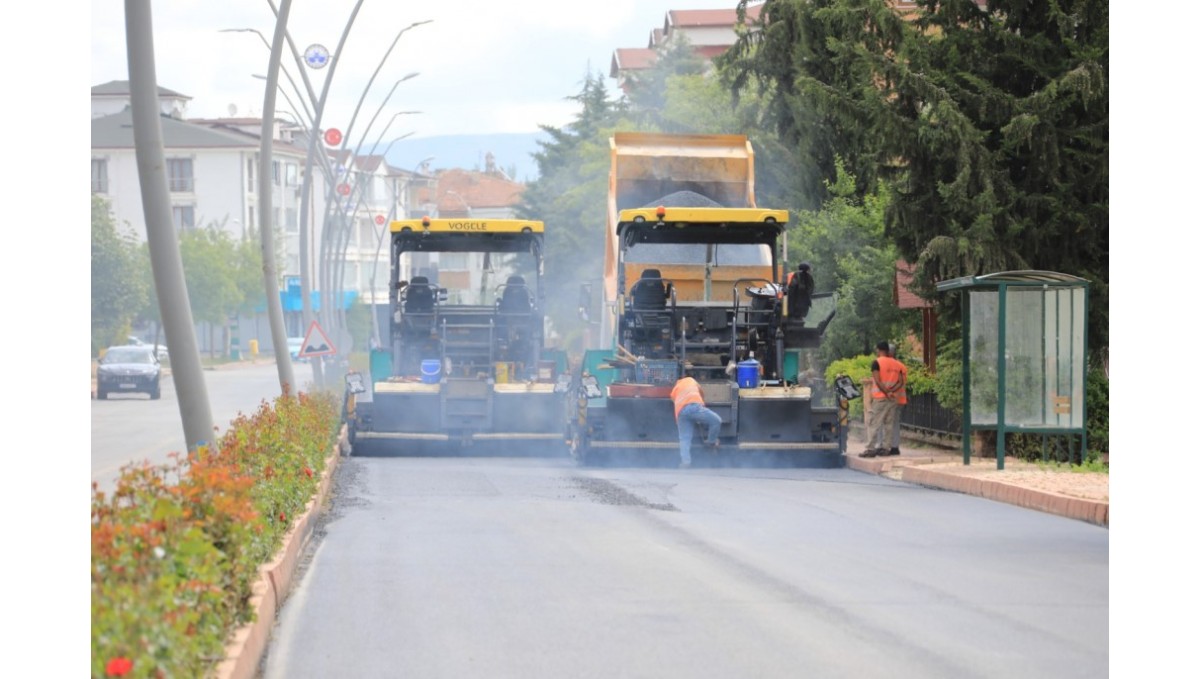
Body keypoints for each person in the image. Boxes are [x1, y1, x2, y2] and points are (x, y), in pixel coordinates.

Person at [861, 340, 908, 458]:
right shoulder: (897, 364)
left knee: (874, 423)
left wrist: (887, 392)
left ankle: (870, 449)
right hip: (893, 399)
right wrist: (891, 392)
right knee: (889, 424)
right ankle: (886, 449)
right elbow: (900, 382)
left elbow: (877, 380)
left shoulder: (876, 362)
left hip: (880, 398)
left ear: (878, 350)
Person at [669, 368, 722, 469]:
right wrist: (701, 407)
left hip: (681, 412)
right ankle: (711, 442)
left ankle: (685, 463)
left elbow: (673, 399)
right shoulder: (692, 380)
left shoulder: (676, 387)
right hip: (694, 407)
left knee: (684, 438)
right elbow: (701, 393)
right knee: (716, 421)